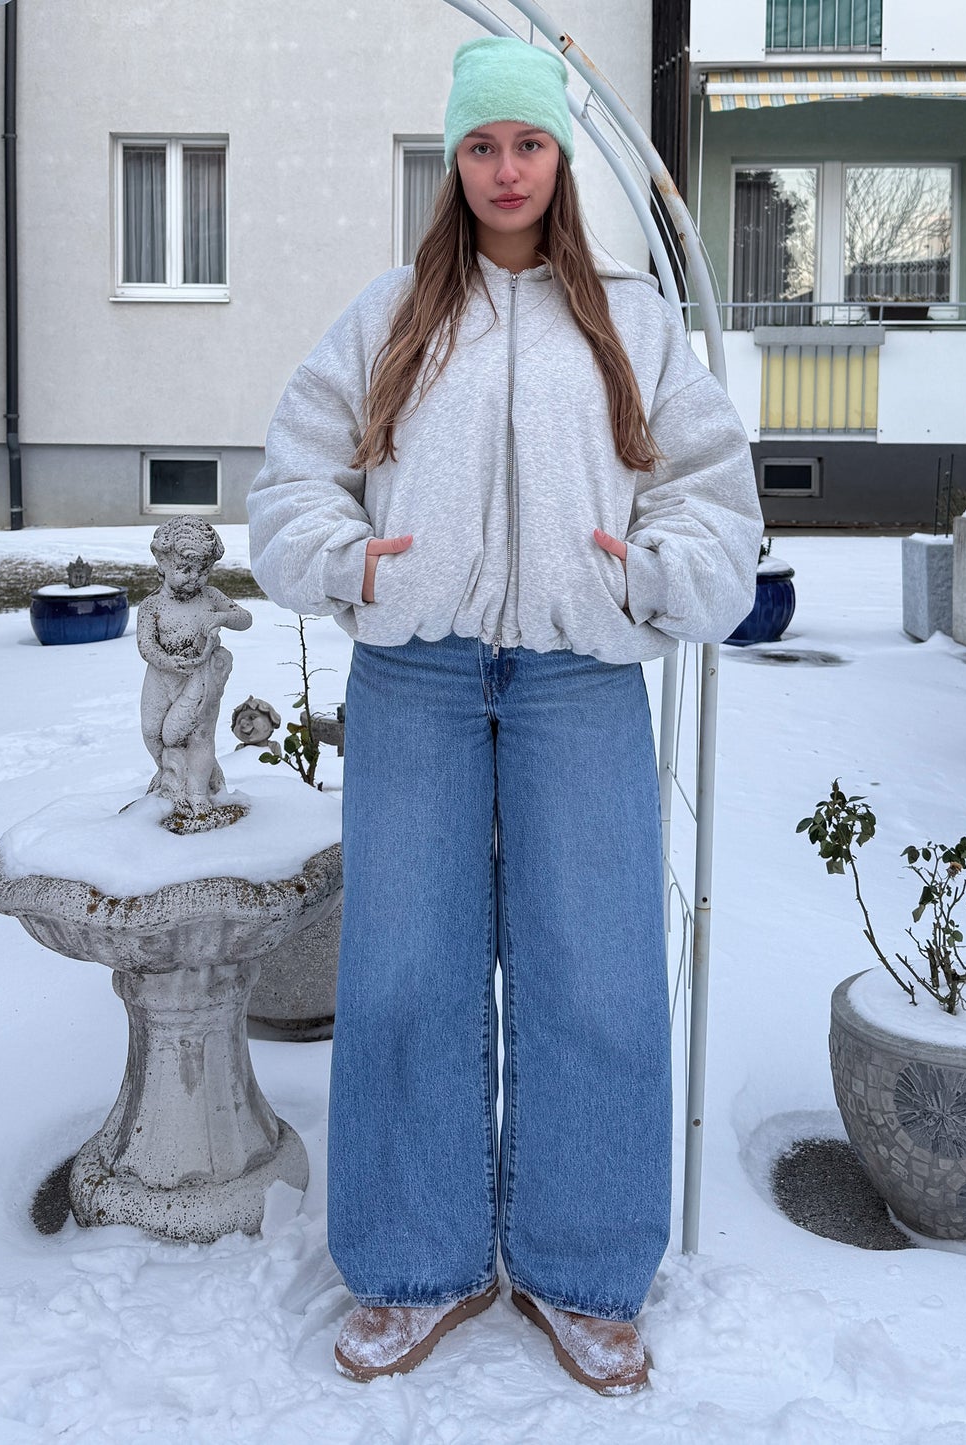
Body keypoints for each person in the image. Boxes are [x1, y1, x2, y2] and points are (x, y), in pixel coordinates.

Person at [247, 35, 761, 1396]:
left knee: (593, 972)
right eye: (480, 146)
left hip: (579, 677)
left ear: (558, 158)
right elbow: (291, 480)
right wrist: (350, 561)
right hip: (415, 674)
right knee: (405, 970)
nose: (505, 169)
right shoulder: (390, 316)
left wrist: (651, 573)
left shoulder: (634, 322)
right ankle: (415, 1263)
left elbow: (715, 498)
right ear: (451, 162)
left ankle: (584, 1271)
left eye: (526, 143)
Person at [138, 515, 251, 810]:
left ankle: (199, 791)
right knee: (152, 731)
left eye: (203, 571)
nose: (194, 578)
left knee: (198, 734)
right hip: (162, 676)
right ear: (162, 563)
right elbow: (146, 645)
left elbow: (245, 619)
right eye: (184, 569)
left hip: (200, 675)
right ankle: (168, 775)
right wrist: (167, 661)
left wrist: (223, 617)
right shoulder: (152, 606)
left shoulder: (210, 597)